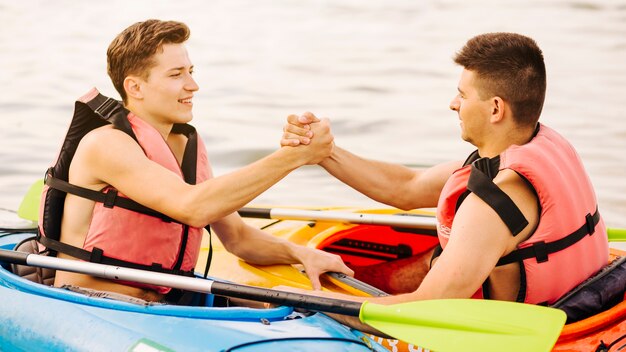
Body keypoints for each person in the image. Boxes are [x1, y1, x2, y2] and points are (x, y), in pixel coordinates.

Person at [280, 32, 608, 333]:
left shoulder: (493, 204)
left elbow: (426, 309)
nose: (453, 104)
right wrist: (324, 152)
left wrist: (300, 301)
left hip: (507, 331)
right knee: (421, 261)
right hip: (586, 309)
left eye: (462, 95)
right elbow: (407, 187)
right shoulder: (540, 146)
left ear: (495, 109)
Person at [37, 19, 352, 304]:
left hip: (166, 304)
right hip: (91, 302)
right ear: (134, 87)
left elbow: (239, 238)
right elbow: (193, 207)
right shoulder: (106, 143)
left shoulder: (185, 145)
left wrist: (301, 254)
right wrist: (294, 156)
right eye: (176, 75)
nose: (193, 85)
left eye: (191, 72)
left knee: (306, 306)